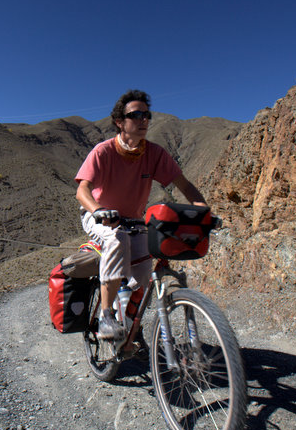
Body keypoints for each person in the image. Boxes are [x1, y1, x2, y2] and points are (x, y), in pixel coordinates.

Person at [75, 89, 207, 339]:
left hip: (134, 220)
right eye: (136, 115)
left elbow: (185, 185)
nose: (143, 120)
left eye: (147, 115)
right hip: (100, 216)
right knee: (117, 239)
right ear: (119, 122)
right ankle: (105, 317)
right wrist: (99, 211)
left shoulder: (154, 154)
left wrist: (203, 210)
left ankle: (130, 327)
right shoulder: (103, 151)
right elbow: (82, 191)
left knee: (146, 270)